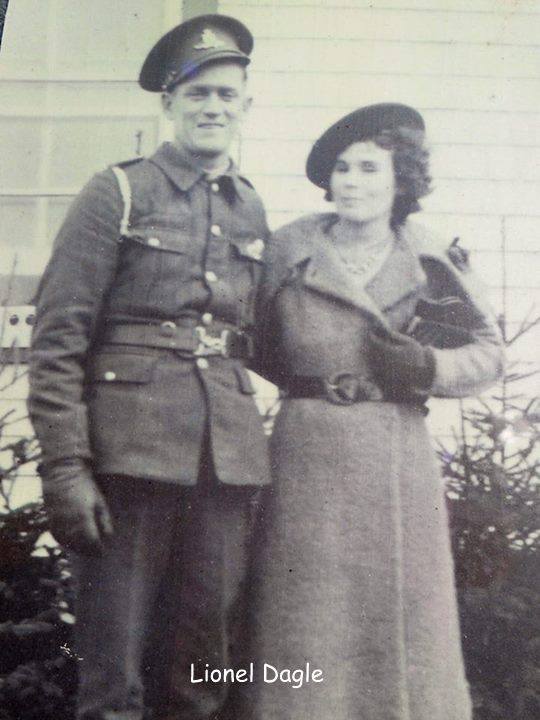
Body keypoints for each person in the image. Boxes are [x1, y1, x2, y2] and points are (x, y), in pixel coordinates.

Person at [27, 14, 271, 720]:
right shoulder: (119, 191)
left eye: (226, 95)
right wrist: (66, 468)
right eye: (197, 94)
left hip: (224, 468)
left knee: (200, 679)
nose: (212, 108)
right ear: (169, 103)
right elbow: (59, 339)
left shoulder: (250, 207)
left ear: (246, 107)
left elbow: (266, 335)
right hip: (127, 461)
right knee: (115, 681)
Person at [244, 103, 504, 720]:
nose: (352, 182)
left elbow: (489, 354)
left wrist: (427, 367)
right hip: (304, 453)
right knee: (303, 610)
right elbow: (254, 341)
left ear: (400, 181)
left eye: (369, 168)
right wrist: (314, 383)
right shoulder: (289, 251)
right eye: (342, 169)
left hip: (396, 455)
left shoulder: (430, 258)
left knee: (400, 617)